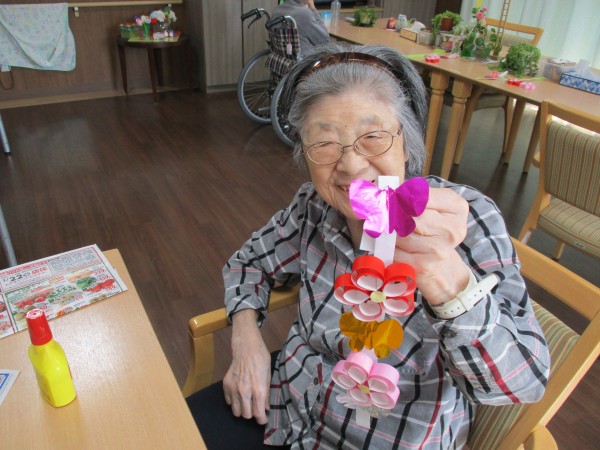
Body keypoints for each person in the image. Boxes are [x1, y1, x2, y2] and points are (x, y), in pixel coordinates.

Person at [187, 42, 550, 449]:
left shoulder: (466, 220)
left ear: (407, 142)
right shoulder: (312, 207)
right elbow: (249, 262)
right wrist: (246, 339)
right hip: (288, 411)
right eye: (324, 144)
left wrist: (450, 285)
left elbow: (523, 383)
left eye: (373, 137)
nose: (351, 165)